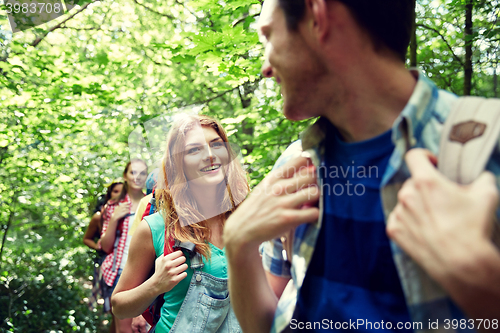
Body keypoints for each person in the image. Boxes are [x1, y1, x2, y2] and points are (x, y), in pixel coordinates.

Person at [223, 0, 500, 332]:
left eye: (268, 35)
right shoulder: (294, 168)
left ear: (318, 15)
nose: (265, 67)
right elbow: (267, 325)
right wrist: (238, 248)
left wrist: (481, 283)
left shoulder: (488, 147)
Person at [111, 115, 248, 333]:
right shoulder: (155, 228)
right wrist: (155, 284)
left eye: (216, 145)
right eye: (194, 150)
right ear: (178, 164)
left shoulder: (253, 219)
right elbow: (119, 306)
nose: (210, 155)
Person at [101, 160, 148, 333]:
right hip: (120, 271)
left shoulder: (153, 203)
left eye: (142, 173)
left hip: (147, 270)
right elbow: (106, 247)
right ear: (125, 176)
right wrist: (115, 218)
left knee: (145, 325)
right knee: (124, 329)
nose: (137, 177)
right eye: (133, 173)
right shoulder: (113, 206)